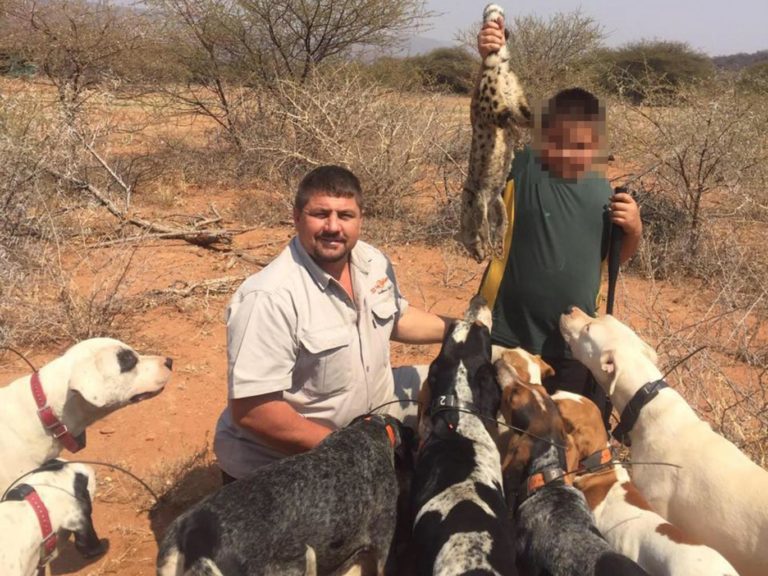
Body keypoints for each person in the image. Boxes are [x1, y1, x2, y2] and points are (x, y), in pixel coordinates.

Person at [214, 165, 450, 482]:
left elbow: (396, 318)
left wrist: (461, 329)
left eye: (345, 215)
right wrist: (350, 450)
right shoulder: (269, 297)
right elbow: (254, 411)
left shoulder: (372, 262)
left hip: (365, 445)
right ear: (296, 217)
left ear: (361, 218)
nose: (333, 226)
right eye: (320, 214)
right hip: (284, 469)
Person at [476, 19, 643, 424]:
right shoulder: (526, 167)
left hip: (573, 345)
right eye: (561, 142)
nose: (572, 153)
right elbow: (494, 118)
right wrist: (492, 59)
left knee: (562, 436)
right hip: (506, 334)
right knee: (499, 426)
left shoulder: (606, 193)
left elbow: (613, 261)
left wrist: (634, 229)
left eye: (584, 146)